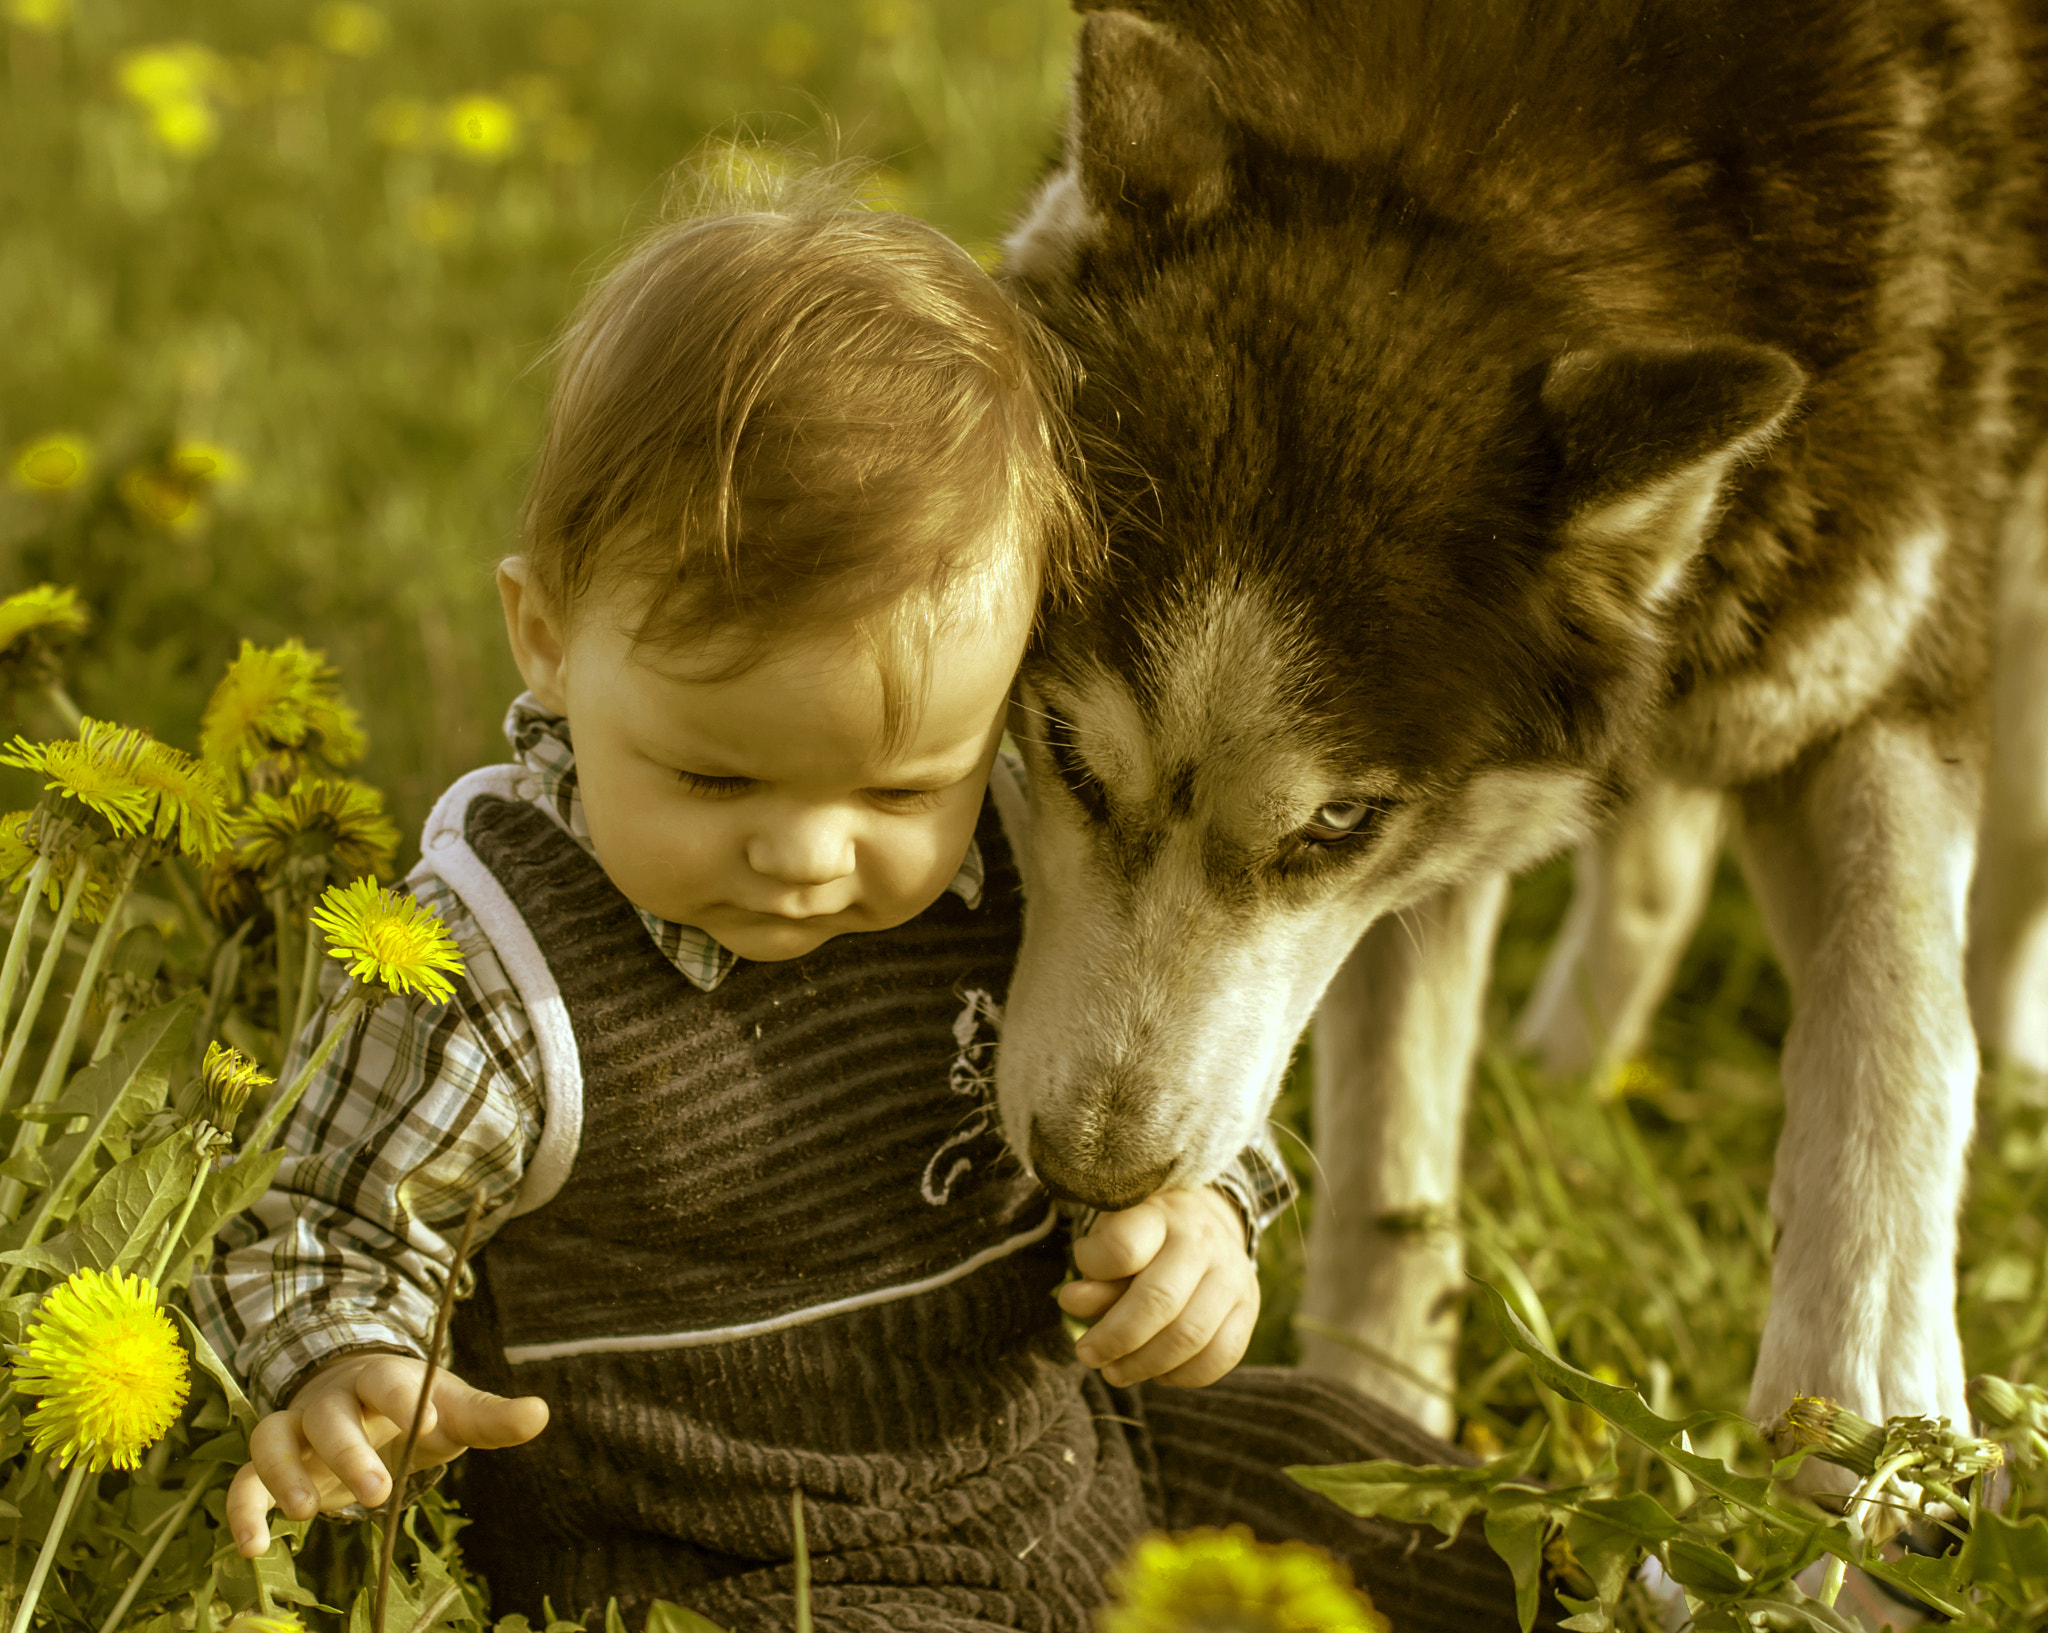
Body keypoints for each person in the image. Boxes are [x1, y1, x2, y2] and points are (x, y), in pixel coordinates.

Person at [194, 170, 1544, 1633]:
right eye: (716, 781)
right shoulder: (498, 972)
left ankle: (1640, 1595)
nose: (809, 854)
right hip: (744, 1566)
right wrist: (349, 1370)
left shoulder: (1025, 852)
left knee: (1402, 1497)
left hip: (1070, 1468)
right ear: (546, 637)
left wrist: (1203, 1230)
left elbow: (1173, 1117)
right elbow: (320, 1223)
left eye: (900, 792)